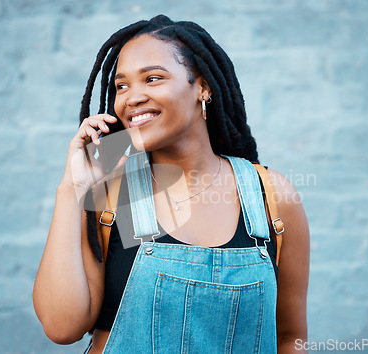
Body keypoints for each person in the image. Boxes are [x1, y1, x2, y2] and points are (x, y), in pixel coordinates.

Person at [33, 14, 310, 354]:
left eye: (152, 78)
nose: (132, 98)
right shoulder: (114, 192)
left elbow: (289, 338)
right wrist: (71, 188)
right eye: (122, 85)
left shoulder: (269, 196)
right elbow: (61, 328)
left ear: (203, 86)